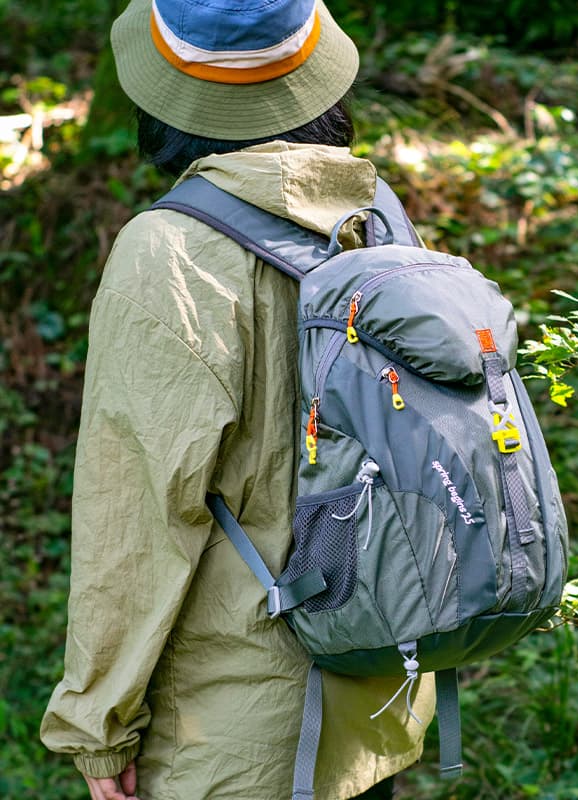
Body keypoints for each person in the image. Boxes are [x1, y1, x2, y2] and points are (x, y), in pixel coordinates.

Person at [39, 1, 436, 798]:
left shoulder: (170, 251)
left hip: (234, 732)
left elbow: (142, 513)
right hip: (378, 688)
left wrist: (98, 726)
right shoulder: (377, 216)